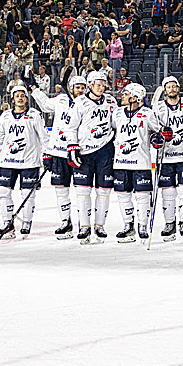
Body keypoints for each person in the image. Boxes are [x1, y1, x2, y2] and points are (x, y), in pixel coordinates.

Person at [31, 73, 87, 239]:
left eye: (83, 88)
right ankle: (65, 222)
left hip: (78, 153)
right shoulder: (61, 100)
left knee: (82, 191)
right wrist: (34, 88)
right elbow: (45, 105)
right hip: (58, 153)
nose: (81, 91)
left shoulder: (87, 104)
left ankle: (83, 224)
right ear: (71, 88)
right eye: (78, 88)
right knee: (61, 190)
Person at [0, 83, 48, 241]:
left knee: (27, 195)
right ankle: (7, 224)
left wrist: (48, 155)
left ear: (27, 99)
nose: (20, 98)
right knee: (3, 192)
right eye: (17, 96)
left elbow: (44, 137)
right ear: (13, 99)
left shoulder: (35, 115)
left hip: (29, 163)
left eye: (23, 95)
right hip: (8, 162)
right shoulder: (6, 116)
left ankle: (27, 221)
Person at [66, 71, 118, 244]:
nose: (102, 87)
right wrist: (72, 147)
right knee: (83, 191)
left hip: (105, 150)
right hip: (85, 152)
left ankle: (99, 226)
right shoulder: (79, 102)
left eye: (104, 84)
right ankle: (84, 226)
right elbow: (71, 127)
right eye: (98, 84)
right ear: (89, 84)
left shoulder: (111, 101)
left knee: (103, 191)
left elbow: (117, 123)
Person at [111, 83, 166, 243]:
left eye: (126, 94)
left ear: (135, 98)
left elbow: (159, 133)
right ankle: (128, 226)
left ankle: (142, 226)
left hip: (141, 163)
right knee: (123, 196)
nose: (122, 96)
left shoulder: (147, 114)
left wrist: (160, 137)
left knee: (142, 197)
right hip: (120, 162)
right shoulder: (117, 113)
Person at [152, 76, 183, 241]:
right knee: (168, 192)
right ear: (164, 90)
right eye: (168, 87)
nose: (172, 89)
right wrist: (157, 137)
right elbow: (153, 130)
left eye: (174, 86)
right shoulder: (158, 108)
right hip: (166, 157)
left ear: (178, 88)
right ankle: (169, 223)